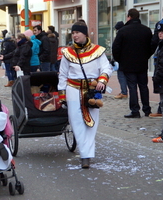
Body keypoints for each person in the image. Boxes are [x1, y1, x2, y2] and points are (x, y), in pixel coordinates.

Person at [58, 21, 112, 168]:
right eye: (73, 33)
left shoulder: (97, 51)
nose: (75, 35)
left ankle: (87, 154)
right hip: (73, 89)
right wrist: (62, 96)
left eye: (77, 33)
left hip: (92, 91)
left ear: (85, 34)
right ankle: (85, 155)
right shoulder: (67, 53)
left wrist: (102, 80)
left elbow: (106, 68)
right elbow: (62, 75)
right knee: (76, 122)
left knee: (92, 123)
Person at [112, 8, 152, 118]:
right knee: (144, 86)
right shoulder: (146, 30)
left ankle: (135, 110)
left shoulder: (123, 31)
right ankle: (147, 109)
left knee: (132, 87)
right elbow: (152, 46)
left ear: (129, 17)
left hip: (128, 64)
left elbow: (116, 48)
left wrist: (120, 59)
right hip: (142, 63)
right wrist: (146, 56)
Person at [112, 21, 128, 99]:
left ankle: (124, 92)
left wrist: (114, 59)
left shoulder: (120, 35)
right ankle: (125, 91)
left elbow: (116, 48)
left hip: (121, 60)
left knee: (121, 76)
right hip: (127, 60)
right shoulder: (127, 34)